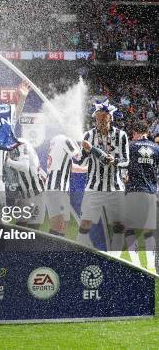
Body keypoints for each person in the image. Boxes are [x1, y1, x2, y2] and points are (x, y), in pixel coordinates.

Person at [78, 99, 129, 253]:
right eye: (98, 116)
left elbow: (126, 161)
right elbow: (81, 163)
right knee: (85, 222)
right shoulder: (88, 135)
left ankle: (116, 257)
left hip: (115, 188)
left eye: (104, 116)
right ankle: (80, 251)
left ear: (110, 117)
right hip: (93, 188)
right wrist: (86, 151)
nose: (100, 119)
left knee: (119, 225)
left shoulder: (122, 135)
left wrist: (115, 161)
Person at [122, 121, 159, 272]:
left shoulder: (130, 146)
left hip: (134, 192)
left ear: (136, 132)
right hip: (151, 193)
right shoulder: (157, 148)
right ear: (147, 132)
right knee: (149, 230)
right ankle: (151, 266)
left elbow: (123, 170)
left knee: (129, 229)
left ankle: (136, 264)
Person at [43, 134, 82, 236]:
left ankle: (54, 249)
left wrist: (86, 169)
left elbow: (72, 167)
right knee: (60, 225)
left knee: (62, 224)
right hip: (57, 188)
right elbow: (79, 156)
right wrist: (80, 144)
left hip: (53, 188)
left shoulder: (55, 140)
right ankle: (53, 250)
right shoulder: (66, 140)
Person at [5, 138, 46, 228]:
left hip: (36, 191)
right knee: (21, 227)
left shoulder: (21, 143)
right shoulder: (7, 146)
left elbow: (24, 166)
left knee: (33, 229)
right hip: (24, 192)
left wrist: (7, 161)